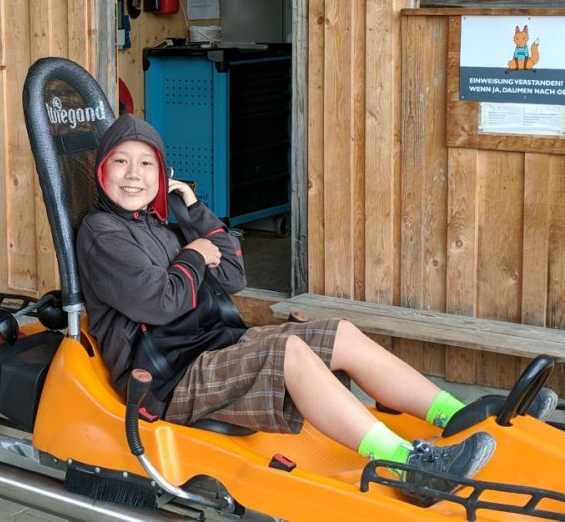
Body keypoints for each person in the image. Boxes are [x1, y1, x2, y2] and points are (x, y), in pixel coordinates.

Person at [76, 115, 558, 507]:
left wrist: (194, 209)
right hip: (167, 378)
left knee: (340, 334)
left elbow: (233, 276)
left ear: (163, 177)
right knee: (290, 352)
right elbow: (158, 304)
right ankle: (408, 466)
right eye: (121, 162)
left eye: (147, 164)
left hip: (210, 347)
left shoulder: (163, 223)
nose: (134, 174)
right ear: (102, 172)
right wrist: (195, 255)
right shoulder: (101, 232)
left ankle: (458, 416)